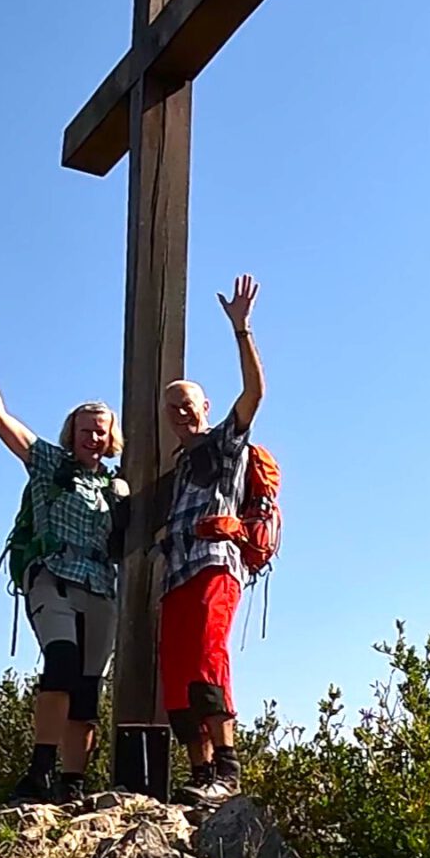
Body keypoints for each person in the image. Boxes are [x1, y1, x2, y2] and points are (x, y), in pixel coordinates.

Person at [0, 313, 123, 803]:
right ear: (71, 432)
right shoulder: (49, 463)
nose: (92, 438)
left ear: (110, 438)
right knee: (61, 667)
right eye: (85, 430)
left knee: (89, 688)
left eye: (100, 432)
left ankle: (72, 782)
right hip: (55, 577)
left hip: (101, 586)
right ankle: (40, 771)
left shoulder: (117, 484)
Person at [156, 274, 265, 799]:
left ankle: (226, 766)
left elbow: (254, 394)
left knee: (206, 655)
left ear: (205, 407)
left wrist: (241, 330)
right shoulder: (175, 467)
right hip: (175, 575)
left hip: (214, 564)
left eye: (189, 404)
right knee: (176, 670)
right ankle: (199, 772)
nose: (181, 412)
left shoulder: (224, 443)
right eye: (172, 406)